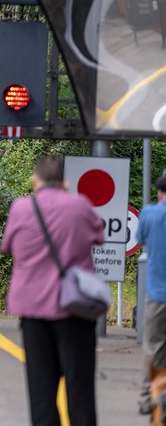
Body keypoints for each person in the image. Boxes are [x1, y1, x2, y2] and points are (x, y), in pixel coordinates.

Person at [0, 153, 104, 426]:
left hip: (33, 310)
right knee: (79, 389)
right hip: (74, 310)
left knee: (42, 391)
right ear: (63, 182)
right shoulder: (80, 206)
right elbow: (98, 237)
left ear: (36, 180)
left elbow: (8, 247)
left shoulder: (21, 208)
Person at [140, 172, 166, 415]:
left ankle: (149, 398)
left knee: (154, 347)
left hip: (158, 295)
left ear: (160, 192)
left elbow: (139, 238)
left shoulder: (149, 213)